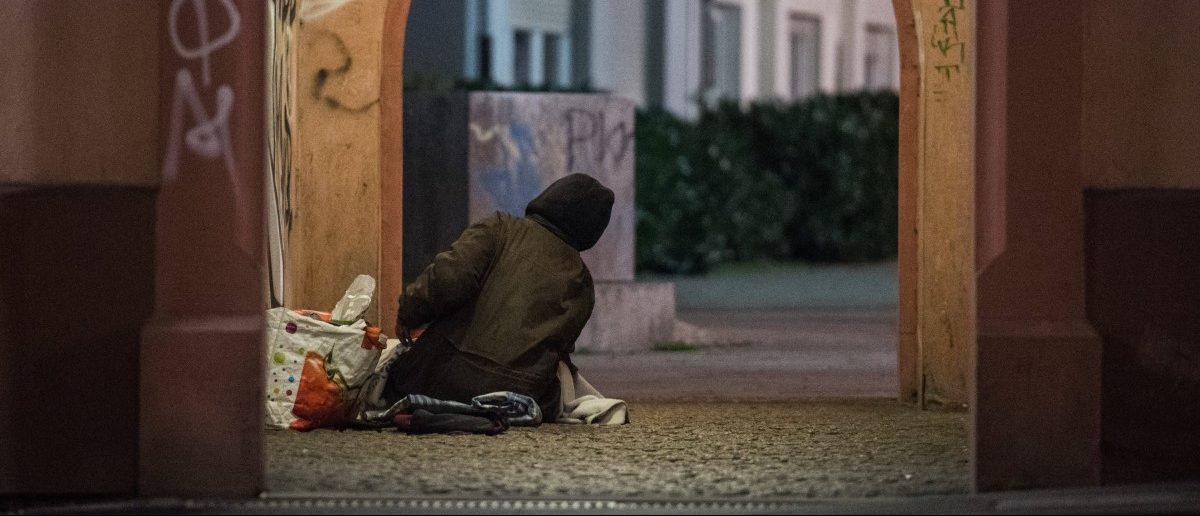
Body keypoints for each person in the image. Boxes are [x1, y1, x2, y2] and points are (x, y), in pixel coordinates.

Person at [383, 173, 614, 420]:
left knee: (389, 372)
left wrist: (409, 312)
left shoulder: (500, 228)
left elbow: (447, 279)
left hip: (439, 377)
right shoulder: (582, 283)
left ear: (549, 197)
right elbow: (560, 351)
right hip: (519, 394)